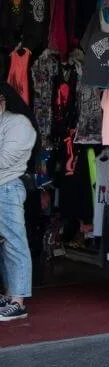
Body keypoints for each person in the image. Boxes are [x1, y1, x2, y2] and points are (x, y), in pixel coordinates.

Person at [0, 83, 38, 321]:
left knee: (14, 243)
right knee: (6, 244)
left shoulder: (19, 124)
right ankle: (9, 294)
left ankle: (18, 301)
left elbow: (4, 159)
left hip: (7, 188)